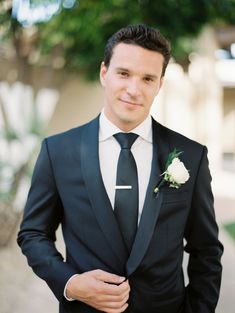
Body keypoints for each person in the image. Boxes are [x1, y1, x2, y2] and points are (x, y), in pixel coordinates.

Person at [17, 24, 223, 313]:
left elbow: (207, 250)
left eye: (148, 78)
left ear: (159, 85)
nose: (133, 89)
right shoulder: (58, 151)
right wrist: (70, 283)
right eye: (123, 73)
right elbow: (33, 233)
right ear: (104, 73)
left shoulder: (192, 155)